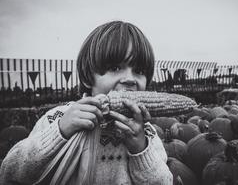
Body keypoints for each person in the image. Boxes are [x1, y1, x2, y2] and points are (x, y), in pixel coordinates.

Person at [0, 21, 173, 184]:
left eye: (140, 71)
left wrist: (140, 150)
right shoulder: (57, 118)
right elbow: (10, 171)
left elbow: (164, 181)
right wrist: (61, 132)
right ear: (88, 77)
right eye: (115, 68)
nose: (130, 79)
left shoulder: (147, 133)